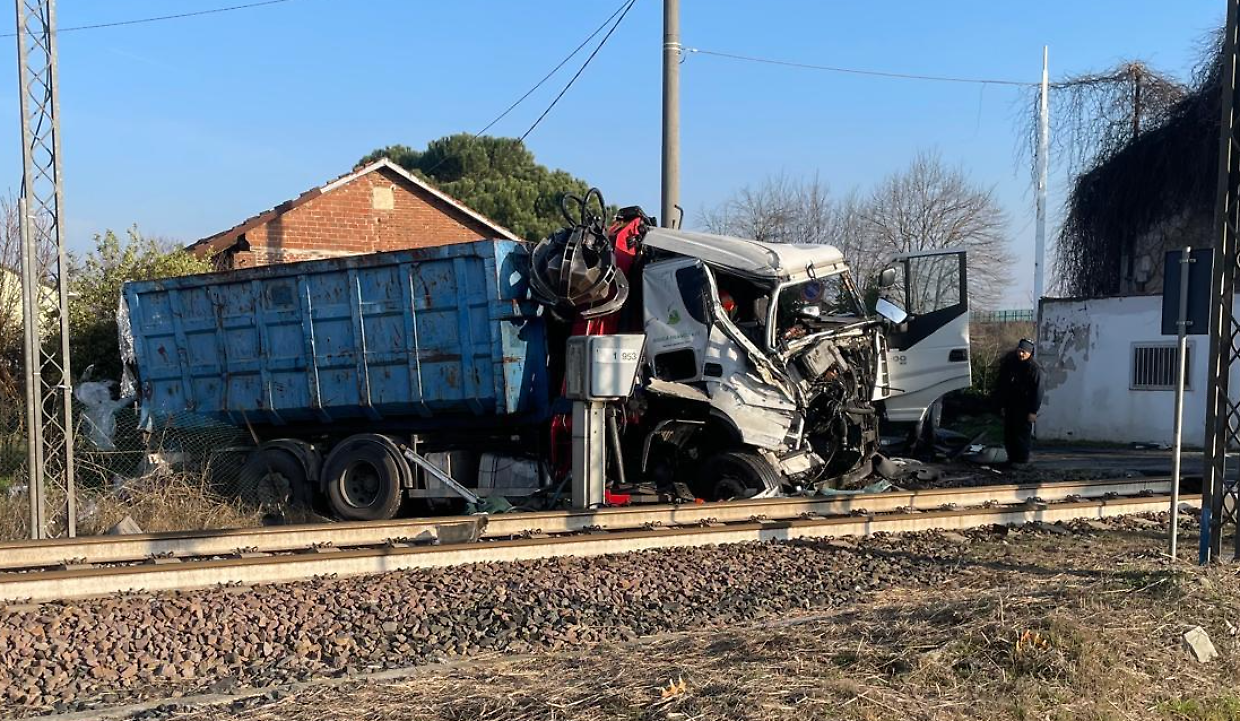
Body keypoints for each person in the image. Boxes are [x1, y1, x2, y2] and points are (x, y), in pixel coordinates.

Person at [992, 338, 1044, 466]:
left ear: (1030, 353)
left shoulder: (1035, 369)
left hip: (1025, 408)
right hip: (1011, 406)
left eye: (1024, 352)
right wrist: (1002, 405)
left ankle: (1021, 460)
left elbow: (1038, 391)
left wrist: (1033, 411)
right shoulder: (1011, 364)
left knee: (1022, 434)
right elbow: (1003, 385)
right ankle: (1011, 458)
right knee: (1009, 434)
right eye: (1019, 351)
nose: (1021, 354)